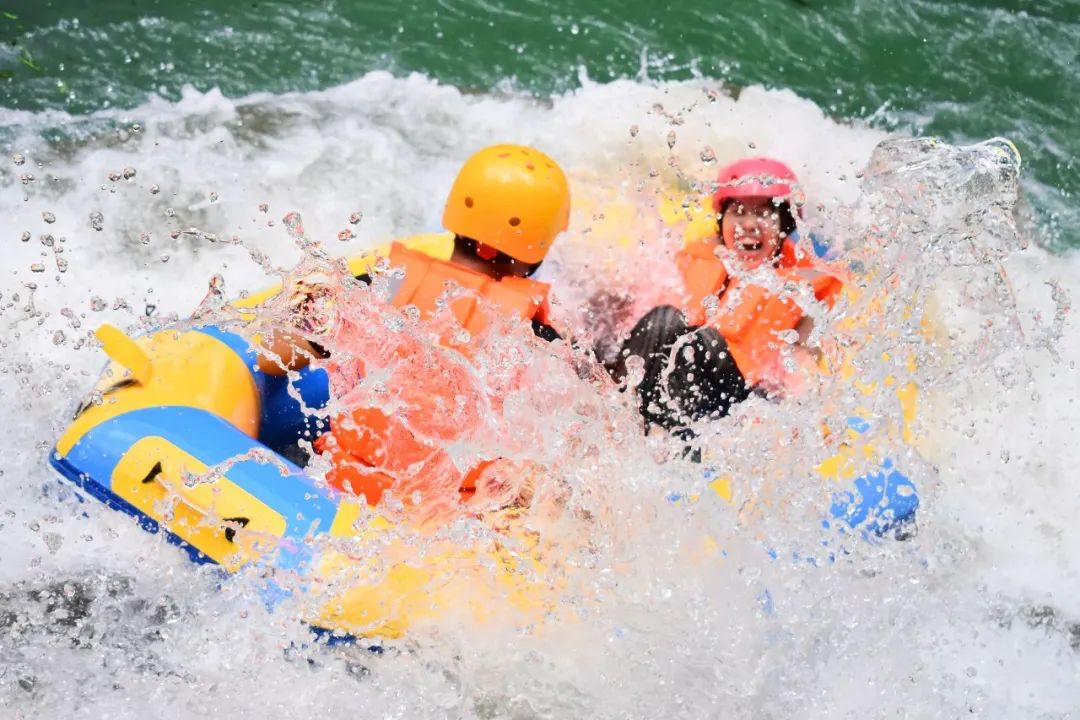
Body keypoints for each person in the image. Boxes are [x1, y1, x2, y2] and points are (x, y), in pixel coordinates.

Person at [258, 144, 572, 509]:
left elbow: (269, 357)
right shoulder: (534, 333)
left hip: (341, 494)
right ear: (539, 244)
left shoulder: (380, 283)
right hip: (448, 521)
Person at [609, 157, 844, 435]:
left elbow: (805, 359)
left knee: (697, 341)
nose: (749, 224)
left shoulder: (803, 286)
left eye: (763, 213)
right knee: (664, 319)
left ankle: (668, 442)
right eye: (738, 212)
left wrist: (815, 420)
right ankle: (613, 415)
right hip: (677, 382)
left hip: (736, 397)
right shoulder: (696, 259)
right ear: (722, 222)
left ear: (784, 224)